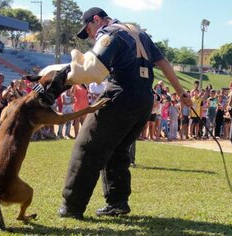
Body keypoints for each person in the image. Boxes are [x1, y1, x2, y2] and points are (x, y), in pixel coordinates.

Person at [58, 7, 191, 219]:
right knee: (118, 150)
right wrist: (181, 92)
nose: (90, 35)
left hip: (120, 94)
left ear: (96, 20)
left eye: (89, 29)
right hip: (144, 100)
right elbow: (163, 63)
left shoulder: (108, 32)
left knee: (87, 147)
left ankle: (72, 206)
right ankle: (117, 202)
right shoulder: (139, 32)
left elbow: (93, 68)